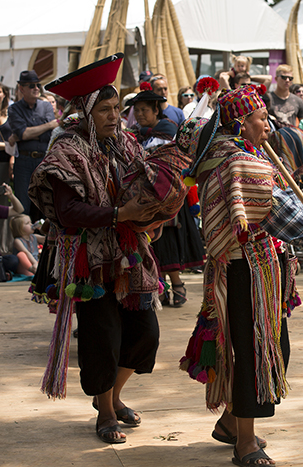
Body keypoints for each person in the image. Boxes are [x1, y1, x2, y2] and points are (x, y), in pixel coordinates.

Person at [177, 84, 303, 467]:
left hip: (257, 269)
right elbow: (276, 210)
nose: (268, 128)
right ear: (241, 124)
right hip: (245, 271)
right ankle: (244, 444)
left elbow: (286, 201)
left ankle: (231, 423)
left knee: (270, 347)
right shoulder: (237, 162)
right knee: (256, 351)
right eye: (261, 119)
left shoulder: (241, 156)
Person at [29, 54, 168, 444]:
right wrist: (120, 212)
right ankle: (105, 413)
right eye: (105, 110)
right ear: (86, 113)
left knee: (146, 334)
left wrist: (154, 213)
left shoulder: (125, 144)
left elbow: (146, 184)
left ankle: (115, 396)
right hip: (90, 261)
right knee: (102, 337)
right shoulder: (66, 151)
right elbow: (66, 209)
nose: (114, 116)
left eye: (115, 109)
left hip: (131, 255)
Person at [127, 86, 204, 306]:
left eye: (144, 110)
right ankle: (160, 288)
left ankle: (177, 285)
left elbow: (173, 163)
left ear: (155, 110)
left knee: (168, 242)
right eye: (137, 111)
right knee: (153, 245)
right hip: (146, 199)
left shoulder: (168, 132)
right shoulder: (137, 134)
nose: (140, 115)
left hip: (169, 198)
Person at [8, 70, 58, 218]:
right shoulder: (14, 109)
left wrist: (27, 134)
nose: (36, 88)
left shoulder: (46, 106)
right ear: (21, 89)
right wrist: (47, 126)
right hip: (24, 161)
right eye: (31, 86)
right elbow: (24, 133)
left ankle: (41, 240)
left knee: (45, 204)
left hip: (43, 160)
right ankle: (23, 241)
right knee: (23, 206)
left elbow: (46, 135)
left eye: (38, 85)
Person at [128, 85, 178, 149]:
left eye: (144, 110)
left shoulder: (169, 130)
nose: (139, 114)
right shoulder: (134, 132)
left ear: (156, 111)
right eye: (136, 110)